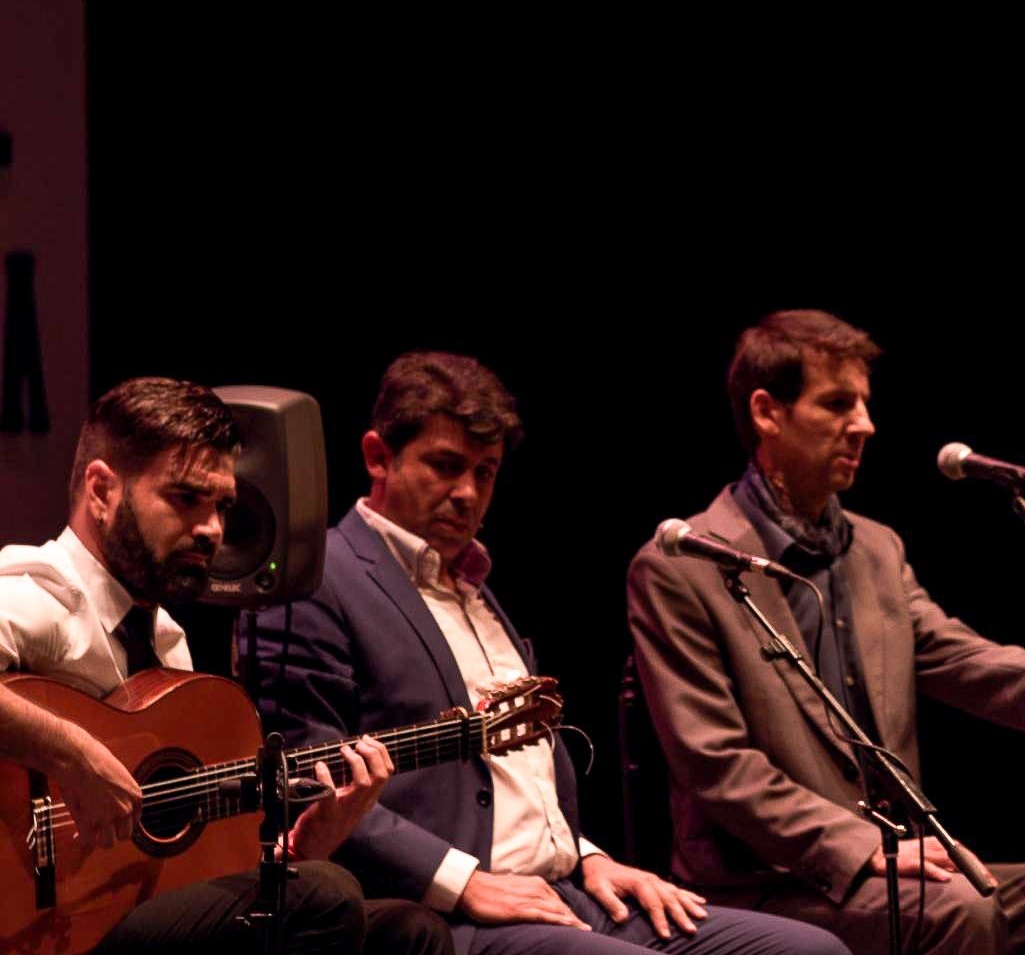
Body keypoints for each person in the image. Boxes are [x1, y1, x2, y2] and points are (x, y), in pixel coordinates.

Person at [243, 352, 846, 955]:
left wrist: (588, 858)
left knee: (813, 950)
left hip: (562, 891)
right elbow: (304, 777)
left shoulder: (472, 588)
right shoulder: (315, 583)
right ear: (378, 456)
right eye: (445, 466)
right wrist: (461, 881)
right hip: (440, 914)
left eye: (485, 472)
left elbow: (521, 775)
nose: (467, 493)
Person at [627, 309, 1025, 954]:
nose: (864, 425)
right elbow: (717, 766)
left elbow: (954, 656)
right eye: (836, 403)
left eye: (863, 403)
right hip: (764, 883)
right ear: (766, 413)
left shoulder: (874, 549)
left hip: (904, 870)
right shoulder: (682, 567)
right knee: (960, 913)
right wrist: (859, 849)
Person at [0, 376, 450, 954]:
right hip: (32, 930)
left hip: (114, 914)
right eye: (186, 498)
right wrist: (70, 752)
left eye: (221, 506)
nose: (212, 528)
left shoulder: (168, 645)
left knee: (409, 930)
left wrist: (307, 844)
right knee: (328, 895)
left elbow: (192, 870)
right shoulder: (36, 593)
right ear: (101, 490)